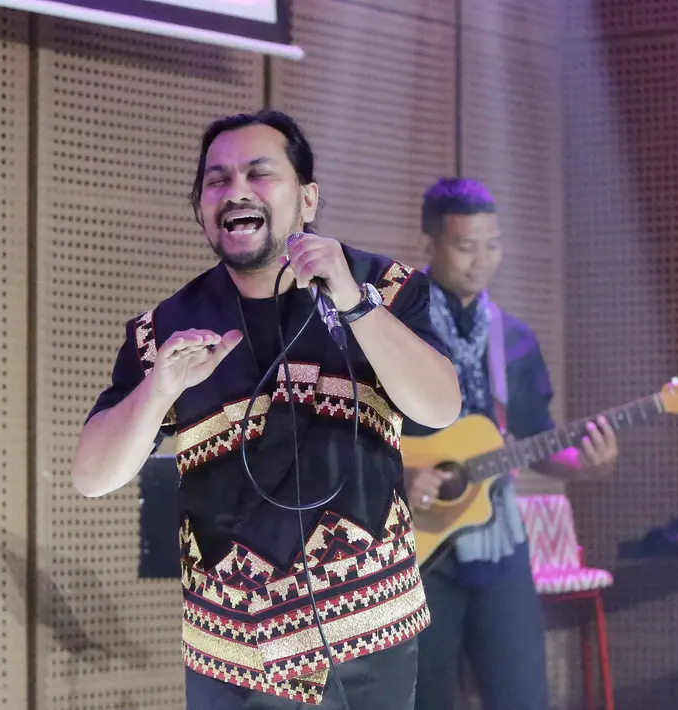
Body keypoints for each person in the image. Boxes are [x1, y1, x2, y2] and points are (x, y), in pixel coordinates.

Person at [71, 109, 462, 709]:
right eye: (217, 181)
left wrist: (356, 306)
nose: (236, 192)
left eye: (259, 173)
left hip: (368, 639)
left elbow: (440, 406)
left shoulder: (379, 286)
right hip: (232, 651)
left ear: (308, 200)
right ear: (201, 208)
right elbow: (93, 476)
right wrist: (160, 389)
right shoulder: (168, 329)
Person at [404, 177, 619, 710]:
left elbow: (538, 437)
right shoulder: (394, 326)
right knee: (422, 699)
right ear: (430, 245)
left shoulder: (514, 337)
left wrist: (586, 466)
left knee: (522, 695)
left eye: (493, 244)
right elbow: (356, 430)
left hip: (500, 546)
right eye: (465, 245)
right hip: (419, 550)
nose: (482, 261)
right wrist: (400, 476)